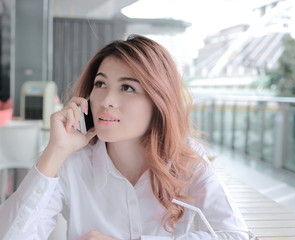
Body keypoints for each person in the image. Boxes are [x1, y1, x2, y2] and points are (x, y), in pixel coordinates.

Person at [0, 35, 253, 240]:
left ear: (159, 101)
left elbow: (236, 235)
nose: (106, 101)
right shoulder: (72, 162)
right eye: (100, 85)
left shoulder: (186, 158)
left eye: (127, 88)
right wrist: (55, 152)